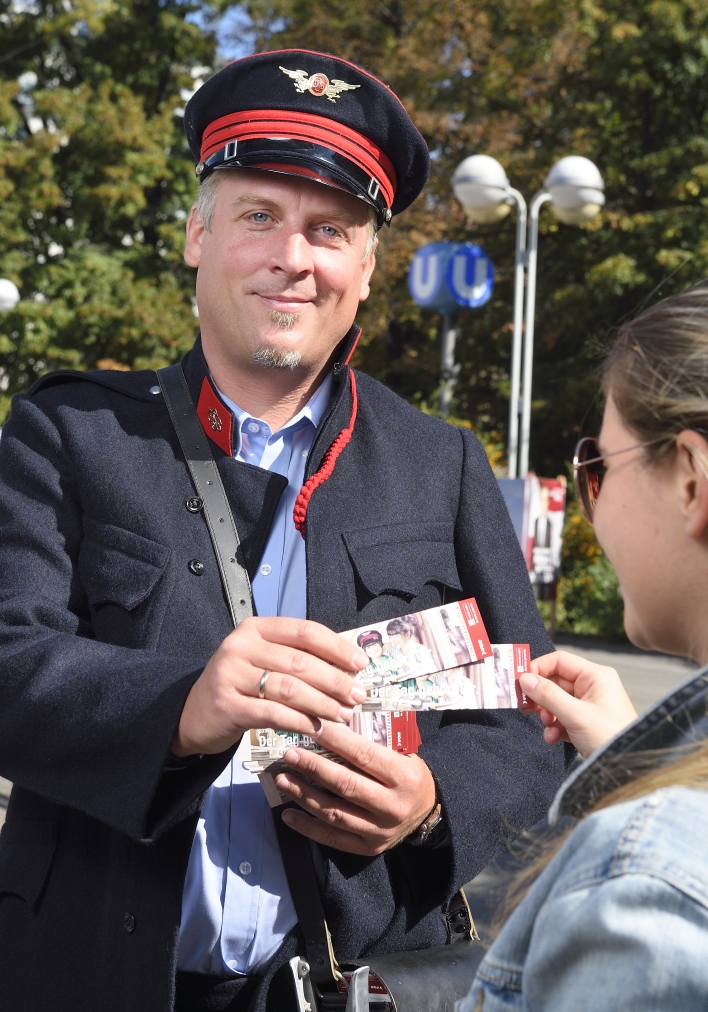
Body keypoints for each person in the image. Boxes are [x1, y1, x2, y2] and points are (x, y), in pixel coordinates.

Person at [0, 50, 572, 1012]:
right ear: (196, 232)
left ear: (367, 263)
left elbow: (536, 718)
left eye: (330, 229)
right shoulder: (69, 432)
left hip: (358, 986)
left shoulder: (441, 463)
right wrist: (181, 706)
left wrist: (433, 803)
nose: (293, 257)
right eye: (259, 215)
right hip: (89, 974)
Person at [459, 278, 708, 1012]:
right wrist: (629, 759)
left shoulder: (643, 886)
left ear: (691, 482)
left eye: (597, 466)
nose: (592, 502)